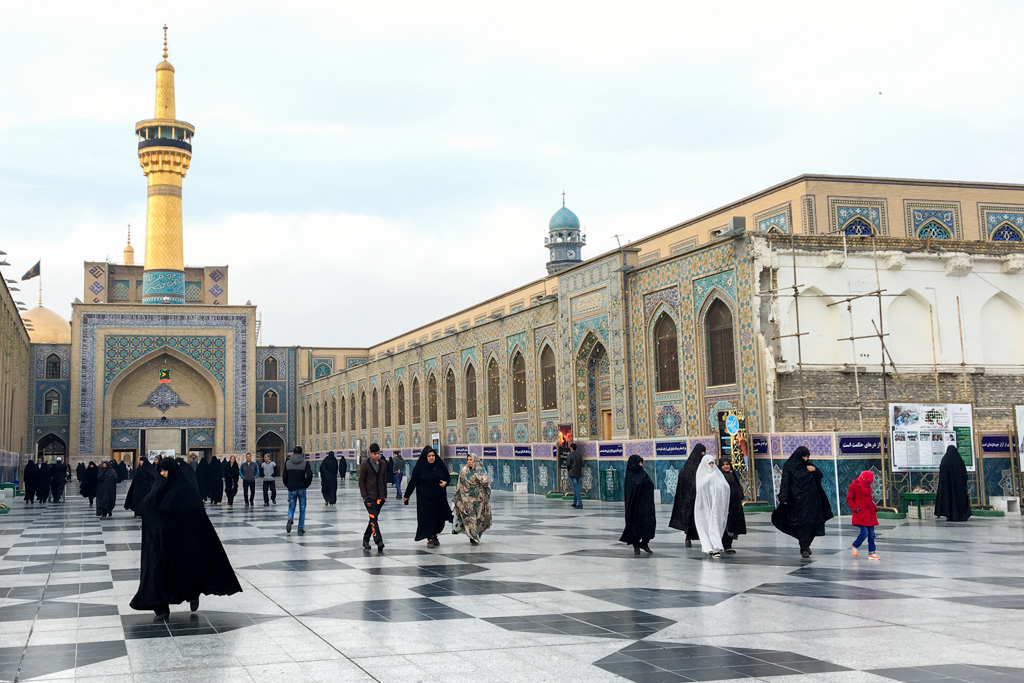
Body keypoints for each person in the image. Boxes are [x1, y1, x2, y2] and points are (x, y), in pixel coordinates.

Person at [130, 457, 242, 621]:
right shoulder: (158, 488)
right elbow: (148, 507)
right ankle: (161, 608)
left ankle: (192, 594)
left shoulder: (185, 490)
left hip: (181, 543)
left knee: (185, 571)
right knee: (158, 572)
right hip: (161, 543)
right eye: (160, 471)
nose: (162, 474)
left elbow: (195, 516)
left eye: (165, 470)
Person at [772, 446, 834, 558]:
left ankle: (806, 544)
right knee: (802, 523)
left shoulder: (809, 465)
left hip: (812, 500)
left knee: (813, 523)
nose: (805, 459)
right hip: (797, 501)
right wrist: (783, 498)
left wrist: (815, 470)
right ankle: (804, 547)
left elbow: (819, 476)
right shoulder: (789, 466)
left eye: (807, 456)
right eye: (804, 456)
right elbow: (785, 483)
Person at [404, 446, 453, 548]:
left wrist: (445, 483)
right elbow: (413, 481)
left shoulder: (439, 465)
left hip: (438, 499)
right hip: (425, 500)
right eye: (429, 456)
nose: (431, 458)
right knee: (428, 519)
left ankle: (435, 535)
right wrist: (406, 495)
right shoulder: (420, 468)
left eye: (433, 456)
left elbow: (447, 477)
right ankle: (429, 538)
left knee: (439, 520)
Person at [669, 443, 706, 547]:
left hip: (700, 497)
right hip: (690, 498)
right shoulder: (689, 467)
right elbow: (684, 481)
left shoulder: (702, 465)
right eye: (701, 452)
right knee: (691, 518)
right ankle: (688, 537)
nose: (703, 454)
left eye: (704, 452)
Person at [693, 454, 730, 558]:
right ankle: (710, 548)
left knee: (715, 526)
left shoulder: (717, 474)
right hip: (705, 508)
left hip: (716, 507)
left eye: (713, 463)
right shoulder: (702, 475)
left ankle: (715, 548)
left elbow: (725, 487)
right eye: (709, 463)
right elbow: (700, 489)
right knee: (706, 527)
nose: (711, 465)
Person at [620, 454, 656, 555]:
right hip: (635, 508)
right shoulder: (630, 476)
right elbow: (631, 492)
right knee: (635, 526)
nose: (640, 465)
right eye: (639, 463)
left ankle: (645, 543)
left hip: (646, 506)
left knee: (649, 525)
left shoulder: (643, 473)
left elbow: (649, 484)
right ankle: (636, 545)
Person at [452, 454, 492, 545]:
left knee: (479, 519)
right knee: (470, 518)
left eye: (471, 460)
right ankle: (473, 537)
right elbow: (460, 485)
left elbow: (486, 484)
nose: (469, 461)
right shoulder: (464, 471)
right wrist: (457, 497)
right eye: (468, 459)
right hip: (467, 500)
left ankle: (475, 535)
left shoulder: (481, 471)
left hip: (479, 500)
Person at [359, 444, 389, 551]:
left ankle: (366, 539)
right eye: (375, 454)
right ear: (370, 453)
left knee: (373, 519)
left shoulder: (383, 464)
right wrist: (365, 497)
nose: (377, 456)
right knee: (373, 518)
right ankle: (378, 541)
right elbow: (361, 482)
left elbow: (384, 480)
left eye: (378, 453)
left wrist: (385, 495)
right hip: (369, 498)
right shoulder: (365, 465)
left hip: (380, 497)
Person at [847, 470, 880, 559]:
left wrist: (874, 507)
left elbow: (869, 499)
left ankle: (872, 552)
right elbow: (849, 499)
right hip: (860, 513)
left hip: (869, 513)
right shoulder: (853, 486)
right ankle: (855, 545)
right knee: (864, 532)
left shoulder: (868, 487)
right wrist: (855, 508)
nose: (868, 484)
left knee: (872, 534)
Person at [935, 445, 972, 522]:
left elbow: (942, 476)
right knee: (958, 500)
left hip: (947, 488)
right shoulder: (959, 461)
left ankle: (950, 515)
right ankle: (961, 515)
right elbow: (964, 474)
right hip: (959, 488)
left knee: (949, 500)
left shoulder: (945, 461)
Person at [282, 446, 312, 535]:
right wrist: (306, 484)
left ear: (293, 453)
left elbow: (284, 476)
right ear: (301, 453)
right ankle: (300, 527)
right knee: (302, 508)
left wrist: (287, 485)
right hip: (302, 488)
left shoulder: (287, 463)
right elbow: (309, 476)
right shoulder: (305, 463)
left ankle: (290, 518)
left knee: (291, 506)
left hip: (291, 488)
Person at [719, 460, 747, 554]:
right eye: (723, 465)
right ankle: (725, 545)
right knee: (726, 526)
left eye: (727, 464)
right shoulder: (720, 477)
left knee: (732, 525)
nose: (726, 466)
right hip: (724, 506)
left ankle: (729, 544)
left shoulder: (733, 476)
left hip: (735, 506)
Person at [566, 443, 583, 509]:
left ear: (571, 448)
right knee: (575, 487)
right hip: (578, 473)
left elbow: (568, 464)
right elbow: (581, 463)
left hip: (572, 473)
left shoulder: (570, 455)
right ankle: (575, 502)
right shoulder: (579, 455)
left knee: (576, 488)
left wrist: (569, 470)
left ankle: (580, 503)